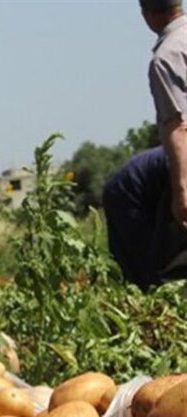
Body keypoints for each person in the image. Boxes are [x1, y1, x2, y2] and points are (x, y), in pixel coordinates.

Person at [103, 0, 187, 288]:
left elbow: (177, 127)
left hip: (174, 162)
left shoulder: (167, 55)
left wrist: (182, 190)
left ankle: (150, 293)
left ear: (147, 14)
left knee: (122, 188)